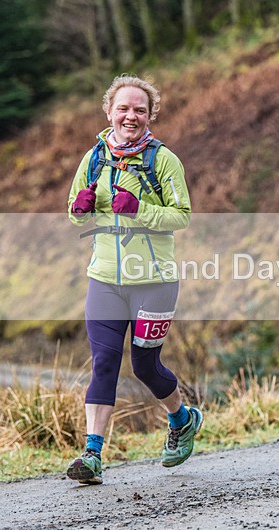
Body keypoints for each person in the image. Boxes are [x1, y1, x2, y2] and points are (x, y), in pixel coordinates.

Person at [66, 75, 200, 484]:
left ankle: (181, 419)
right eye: (123, 108)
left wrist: (139, 208)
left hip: (154, 281)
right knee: (104, 363)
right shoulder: (92, 159)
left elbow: (183, 216)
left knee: (144, 365)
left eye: (139, 109)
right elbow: (74, 216)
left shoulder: (164, 161)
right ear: (109, 112)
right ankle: (92, 455)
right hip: (104, 279)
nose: (131, 116)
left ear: (150, 115)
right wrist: (80, 208)